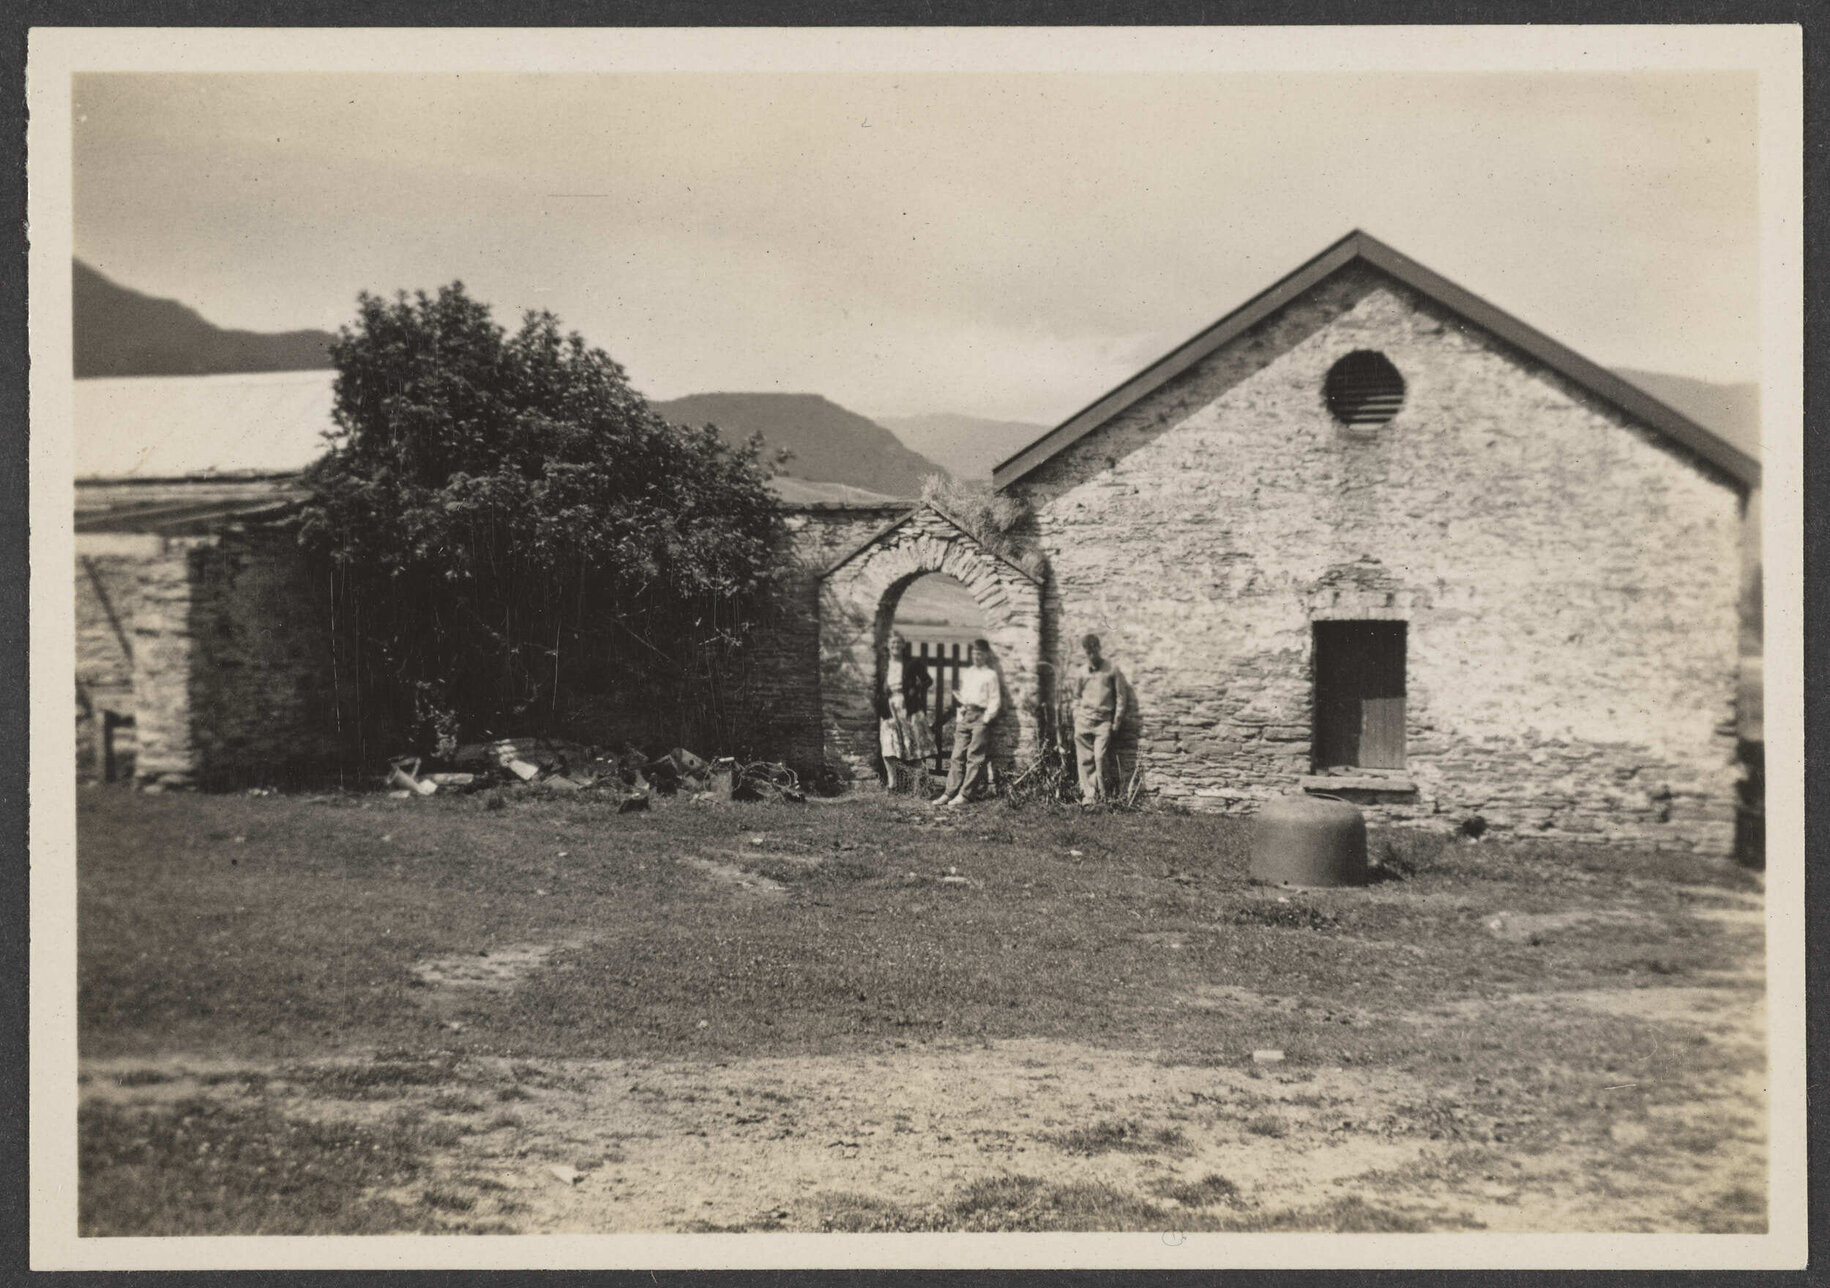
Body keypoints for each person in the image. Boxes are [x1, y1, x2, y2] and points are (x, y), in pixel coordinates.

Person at [932, 639, 1000, 808]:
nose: (977, 657)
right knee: (956, 756)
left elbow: (995, 700)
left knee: (975, 757)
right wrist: (961, 715)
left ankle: (966, 795)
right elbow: (964, 695)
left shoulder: (990, 675)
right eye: (974, 654)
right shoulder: (968, 672)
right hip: (966, 715)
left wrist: (986, 719)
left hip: (981, 716)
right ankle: (949, 793)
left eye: (980, 654)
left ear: (986, 655)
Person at [1072, 633, 1130, 804]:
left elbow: (1121, 697)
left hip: (1103, 721)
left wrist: (1116, 721)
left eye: (1094, 651)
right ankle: (1089, 796)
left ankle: (1104, 796)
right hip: (1083, 721)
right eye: (1088, 652)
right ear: (1085, 652)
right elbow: (1076, 697)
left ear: (1099, 649)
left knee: (1099, 757)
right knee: (1085, 760)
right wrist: (1076, 715)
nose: (1091, 655)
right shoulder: (1081, 672)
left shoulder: (1111, 670)